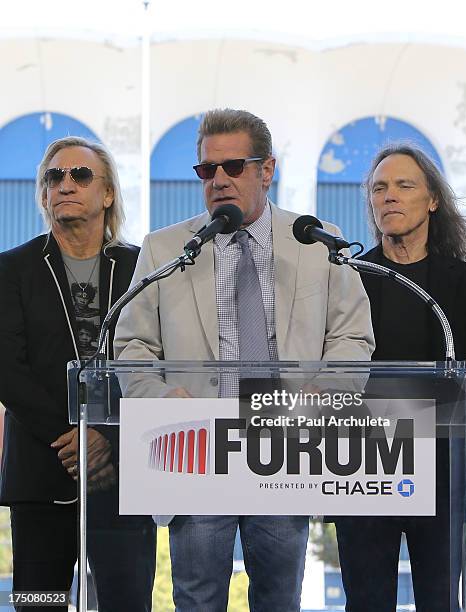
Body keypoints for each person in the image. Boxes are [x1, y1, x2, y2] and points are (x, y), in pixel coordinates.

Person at [114, 108, 375, 611]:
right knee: (197, 598)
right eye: (207, 169)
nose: (219, 180)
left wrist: (325, 397)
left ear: (267, 170)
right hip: (197, 451)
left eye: (234, 167)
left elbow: (352, 336)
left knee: (279, 598)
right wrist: (165, 401)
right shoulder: (167, 248)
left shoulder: (316, 240)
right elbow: (131, 345)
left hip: (285, 451)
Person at [0, 136, 156, 611]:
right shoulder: (12, 269)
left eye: (81, 175)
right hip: (43, 470)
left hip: (122, 470)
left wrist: (107, 436)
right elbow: (7, 367)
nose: (66, 184)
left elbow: (155, 359)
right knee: (38, 603)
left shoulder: (142, 269)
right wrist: (75, 436)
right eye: (55, 176)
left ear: (107, 194)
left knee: (125, 602)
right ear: (44, 194)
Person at [335, 144, 466, 611]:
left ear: (433, 200)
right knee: (365, 602)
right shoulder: (350, 280)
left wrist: (465, 441)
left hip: (446, 470)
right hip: (361, 468)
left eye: (404, 185)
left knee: (442, 602)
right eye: (379, 189)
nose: (390, 197)